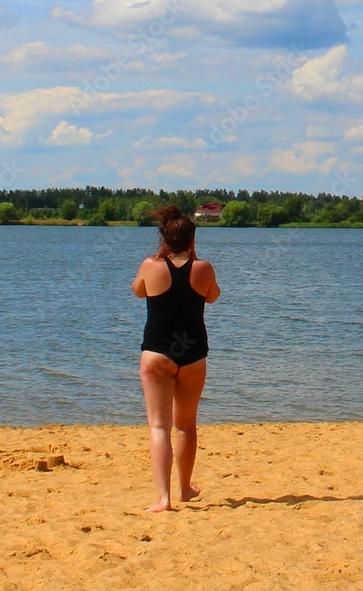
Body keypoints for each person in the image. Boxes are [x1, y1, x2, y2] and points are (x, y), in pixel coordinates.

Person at [131, 205, 220, 512]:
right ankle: (184, 488)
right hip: (193, 352)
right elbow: (212, 296)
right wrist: (194, 264)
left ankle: (163, 499)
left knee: (159, 426)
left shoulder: (151, 265)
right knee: (185, 425)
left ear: (164, 238)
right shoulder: (203, 268)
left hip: (157, 352)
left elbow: (138, 291)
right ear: (192, 240)